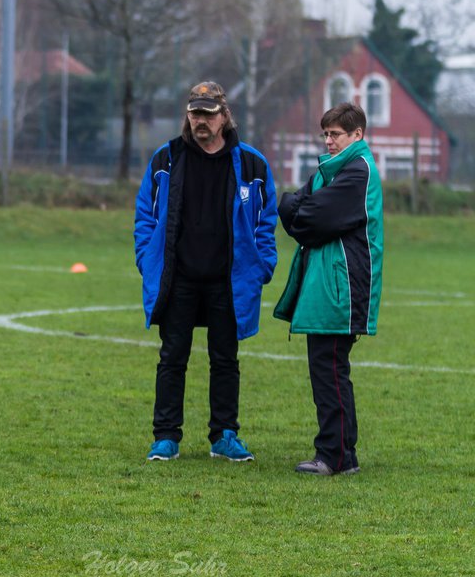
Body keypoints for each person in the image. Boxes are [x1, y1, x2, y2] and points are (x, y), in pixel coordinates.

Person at [134, 81, 278, 462]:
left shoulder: (252, 164)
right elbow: (144, 215)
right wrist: (145, 258)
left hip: (228, 279)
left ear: (224, 116)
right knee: (172, 357)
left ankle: (224, 435)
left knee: (226, 359)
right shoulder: (166, 158)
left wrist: (263, 265)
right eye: (195, 113)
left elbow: (267, 219)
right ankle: (166, 437)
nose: (200, 120)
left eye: (208, 114)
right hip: (178, 277)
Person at [274, 102, 383, 476]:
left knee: (330, 370)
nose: (329, 141)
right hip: (323, 286)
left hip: (343, 288)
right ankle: (343, 455)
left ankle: (333, 456)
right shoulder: (330, 172)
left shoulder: (358, 172)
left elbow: (313, 218)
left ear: (358, 135)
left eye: (335, 134)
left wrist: (299, 211)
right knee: (329, 369)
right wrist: (298, 210)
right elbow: (291, 208)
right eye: (326, 134)